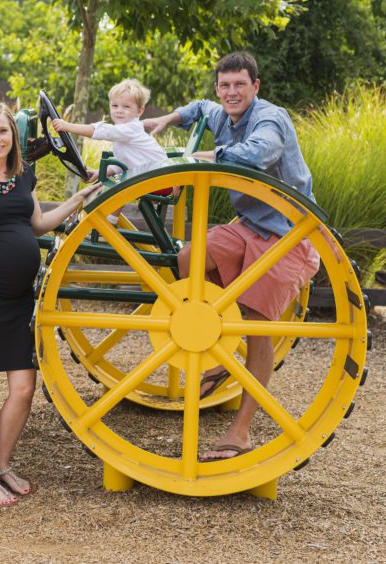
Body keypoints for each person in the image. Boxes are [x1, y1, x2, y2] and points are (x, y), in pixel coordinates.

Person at [142, 51, 320, 462]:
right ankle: (223, 345)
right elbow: (198, 109)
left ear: (255, 87)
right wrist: (166, 120)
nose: (231, 92)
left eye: (240, 84)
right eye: (225, 86)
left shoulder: (269, 119)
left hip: (287, 233)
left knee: (259, 327)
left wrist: (201, 157)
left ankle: (239, 433)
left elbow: (257, 154)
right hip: (248, 225)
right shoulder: (221, 110)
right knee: (190, 259)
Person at [0, 103, 101, 506]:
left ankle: (3, 463)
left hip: (18, 297)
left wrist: (79, 199)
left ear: (12, 137)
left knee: (24, 387)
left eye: (3, 132)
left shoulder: (22, 177)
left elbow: (39, 225)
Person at [51, 78, 168, 178]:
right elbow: (122, 163)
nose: (119, 111)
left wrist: (68, 126)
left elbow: (104, 131)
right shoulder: (123, 132)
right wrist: (100, 173)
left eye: (126, 107)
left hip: (161, 178)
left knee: (113, 192)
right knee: (108, 190)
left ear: (139, 111)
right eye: (115, 105)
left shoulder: (131, 129)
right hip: (154, 177)